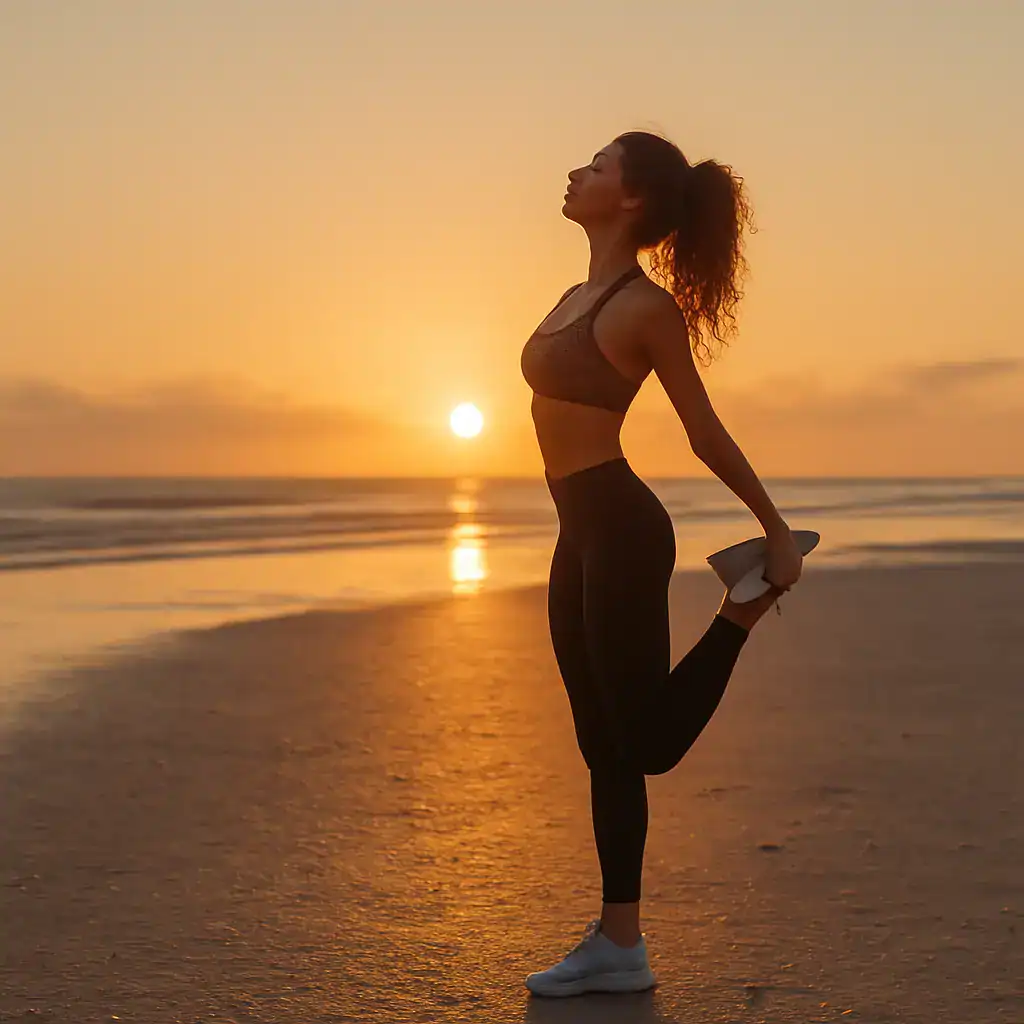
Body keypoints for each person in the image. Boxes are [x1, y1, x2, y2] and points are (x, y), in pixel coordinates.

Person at [519, 131, 805, 998]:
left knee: (643, 743)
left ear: (633, 200)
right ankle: (620, 942)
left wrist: (774, 527)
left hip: (623, 527)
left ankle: (740, 611)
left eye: (598, 166)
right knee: (600, 745)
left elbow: (702, 429)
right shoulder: (574, 292)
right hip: (576, 530)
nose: (575, 171)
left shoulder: (646, 309)